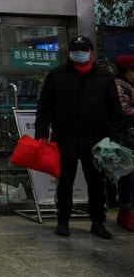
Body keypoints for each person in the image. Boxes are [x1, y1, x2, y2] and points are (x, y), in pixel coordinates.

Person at [34, 35, 122, 239]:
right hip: (65, 138)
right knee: (65, 182)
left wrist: (113, 138)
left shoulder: (105, 77)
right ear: (70, 52)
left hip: (97, 141)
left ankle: (98, 222)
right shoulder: (56, 75)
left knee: (96, 183)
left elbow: (115, 112)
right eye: (75, 49)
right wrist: (41, 134)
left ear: (91, 51)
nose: (79, 52)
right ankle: (62, 220)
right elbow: (44, 108)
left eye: (83, 49)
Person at [112, 55, 134, 232]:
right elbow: (124, 109)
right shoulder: (120, 85)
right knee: (127, 175)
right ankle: (126, 211)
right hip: (126, 139)